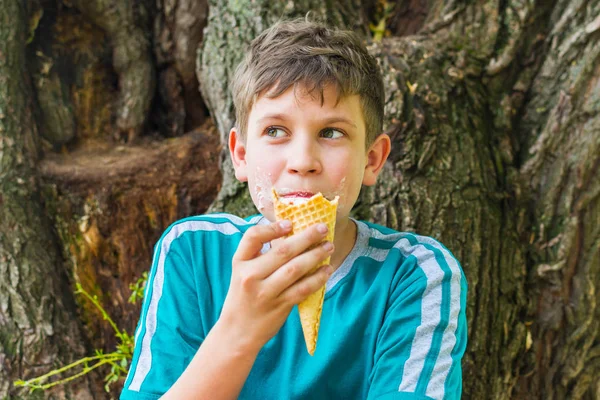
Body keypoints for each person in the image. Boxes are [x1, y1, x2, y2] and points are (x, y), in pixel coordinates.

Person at [120, 17, 467, 400]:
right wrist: (239, 332)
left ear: (371, 159)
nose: (303, 160)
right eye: (275, 131)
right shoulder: (193, 252)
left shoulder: (415, 274)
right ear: (240, 154)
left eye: (331, 132)